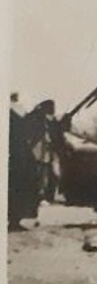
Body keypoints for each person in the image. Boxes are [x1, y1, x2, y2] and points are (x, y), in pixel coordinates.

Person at [8, 94, 40, 231]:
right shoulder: (17, 112)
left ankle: (15, 219)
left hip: (18, 154)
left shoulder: (16, 111)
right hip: (17, 155)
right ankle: (15, 219)